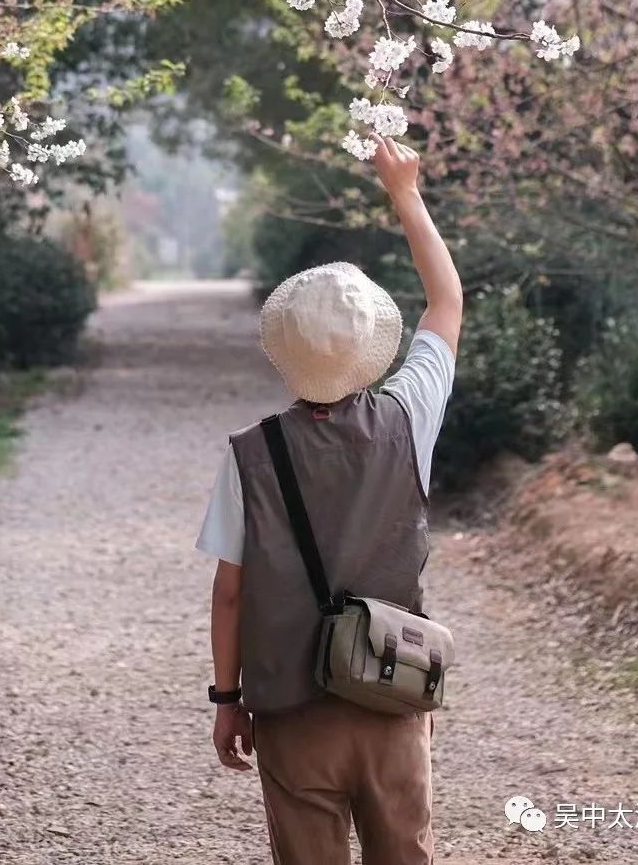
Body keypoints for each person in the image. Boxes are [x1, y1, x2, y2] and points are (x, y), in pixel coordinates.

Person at [195, 136, 463, 865]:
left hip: (290, 711)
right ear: (372, 348)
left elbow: (229, 595)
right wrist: (404, 193)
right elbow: (446, 301)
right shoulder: (409, 419)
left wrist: (227, 702)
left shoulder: (250, 455)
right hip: (392, 694)